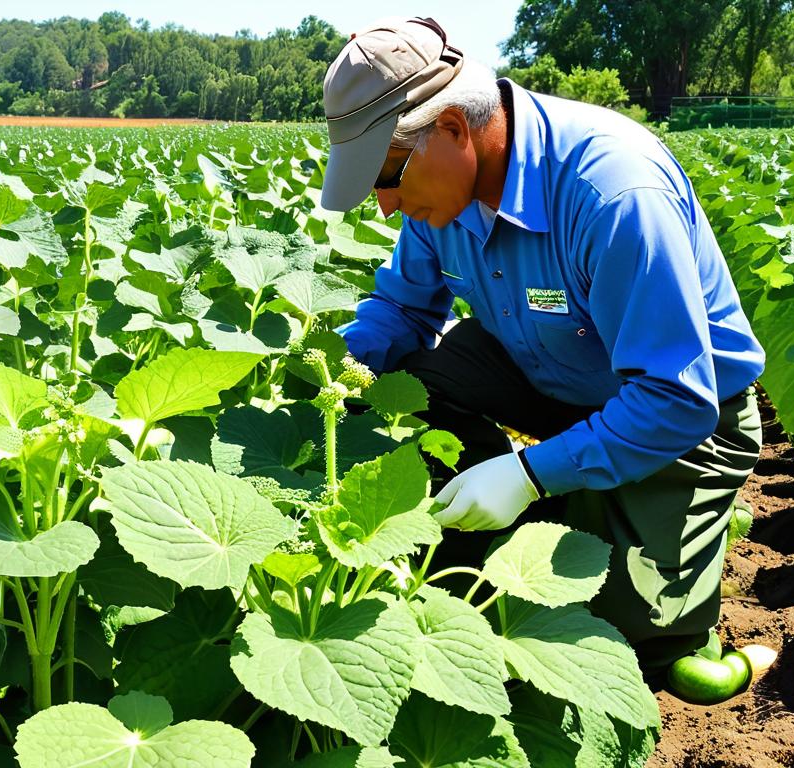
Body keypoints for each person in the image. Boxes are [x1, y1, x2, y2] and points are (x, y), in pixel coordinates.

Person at [320, 16, 764, 685]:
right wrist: (344, 371)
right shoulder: (439, 198)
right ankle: (528, 515)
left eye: (388, 174)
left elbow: (675, 397)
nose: (385, 206)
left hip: (679, 421)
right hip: (544, 375)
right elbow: (403, 310)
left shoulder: (613, 192)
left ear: (452, 130)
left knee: (631, 651)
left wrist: (527, 476)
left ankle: (672, 529)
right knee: (404, 383)